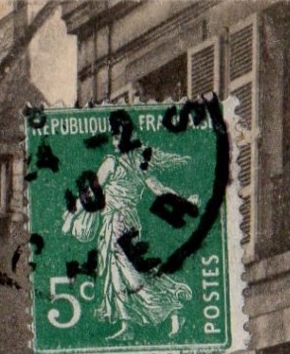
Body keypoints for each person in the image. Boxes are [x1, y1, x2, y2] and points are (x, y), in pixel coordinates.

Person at [60, 110, 197, 340]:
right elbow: (160, 190)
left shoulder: (111, 164)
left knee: (130, 275)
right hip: (128, 222)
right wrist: (184, 201)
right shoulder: (139, 164)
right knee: (116, 274)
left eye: (117, 136)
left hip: (117, 222)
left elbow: (89, 197)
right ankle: (128, 325)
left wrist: (70, 217)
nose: (115, 141)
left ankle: (172, 308)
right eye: (113, 137)